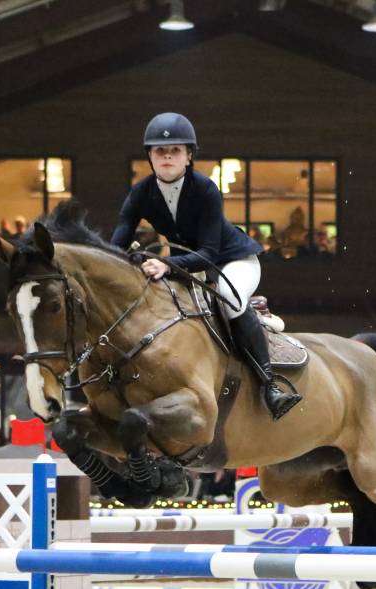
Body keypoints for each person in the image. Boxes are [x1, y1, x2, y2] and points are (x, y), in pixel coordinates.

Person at [111, 112, 301, 420]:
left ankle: (270, 385)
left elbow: (209, 253)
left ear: (188, 156)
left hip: (232, 261)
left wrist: (165, 264)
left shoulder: (205, 189)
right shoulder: (140, 193)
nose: (167, 156)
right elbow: (116, 247)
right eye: (160, 150)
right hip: (185, 264)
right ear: (150, 157)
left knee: (228, 300)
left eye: (175, 150)